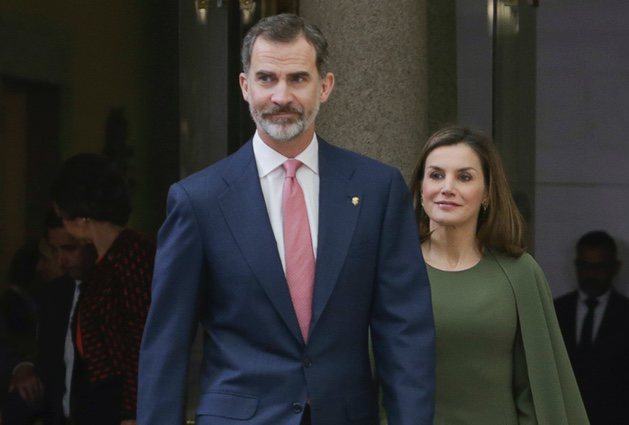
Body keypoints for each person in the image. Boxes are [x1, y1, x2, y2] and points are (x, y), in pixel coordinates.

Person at [137, 13, 435, 425]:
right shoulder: (198, 201)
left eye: (297, 79)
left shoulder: (376, 190)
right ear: (245, 87)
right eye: (266, 79)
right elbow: (167, 344)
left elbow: (405, 335)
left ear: (324, 86)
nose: (281, 96)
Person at [409, 126, 587, 424]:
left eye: (464, 177)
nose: (447, 187)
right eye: (436, 175)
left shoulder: (519, 274)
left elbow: (536, 389)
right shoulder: (390, 270)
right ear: (420, 186)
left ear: (487, 192)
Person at [50, 153, 154, 425]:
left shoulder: (130, 253)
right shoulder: (100, 261)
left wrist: (131, 412)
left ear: (81, 216)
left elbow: (139, 335)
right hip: (98, 393)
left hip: (119, 397)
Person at [553, 230, 629, 425]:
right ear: (576, 266)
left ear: (615, 267)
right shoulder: (555, 313)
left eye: (599, 267)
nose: (591, 274)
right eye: (585, 266)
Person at [3, 211, 97, 425]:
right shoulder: (52, 296)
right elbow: (49, 368)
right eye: (55, 250)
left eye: (69, 248)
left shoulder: (109, 292)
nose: (61, 261)